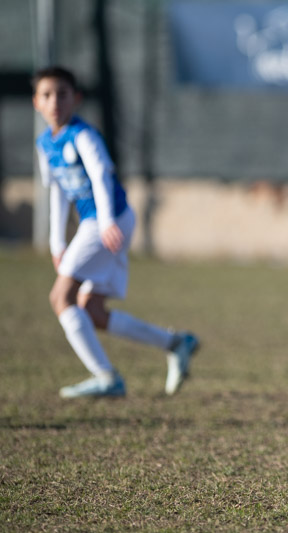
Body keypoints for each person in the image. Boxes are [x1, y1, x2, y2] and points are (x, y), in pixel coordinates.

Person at [32, 66, 199, 399]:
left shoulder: (83, 135)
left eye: (62, 94)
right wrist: (56, 241)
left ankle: (106, 377)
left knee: (61, 297)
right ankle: (176, 343)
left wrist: (106, 220)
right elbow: (58, 190)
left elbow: (100, 176)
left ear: (76, 99)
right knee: (91, 309)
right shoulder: (45, 144)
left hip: (107, 221)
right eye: (47, 95)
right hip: (101, 223)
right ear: (36, 102)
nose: (55, 102)